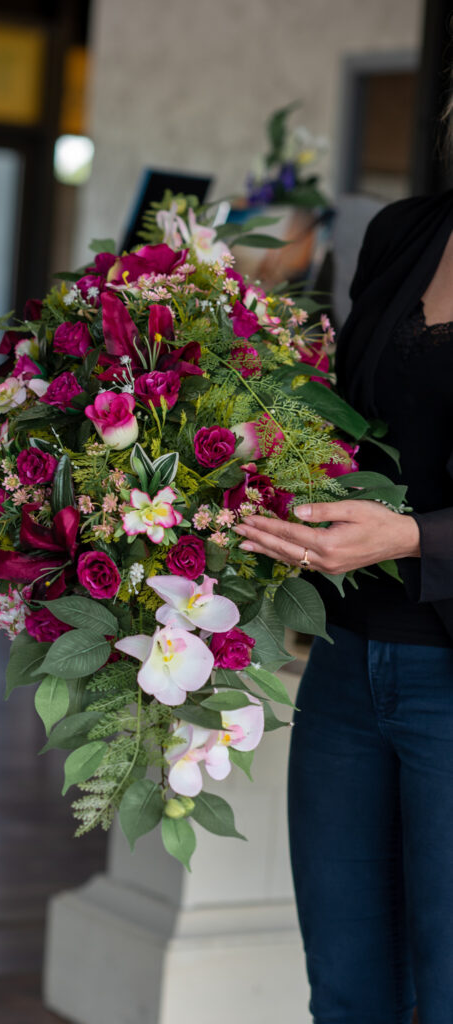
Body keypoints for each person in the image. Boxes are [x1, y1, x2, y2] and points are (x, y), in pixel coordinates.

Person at [230, 163, 453, 1021]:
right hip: (346, 658)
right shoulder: (403, 232)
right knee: (346, 992)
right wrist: (268, 429)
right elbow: (361, 426)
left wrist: (414, 537)